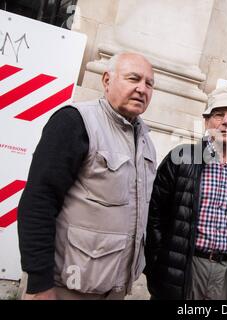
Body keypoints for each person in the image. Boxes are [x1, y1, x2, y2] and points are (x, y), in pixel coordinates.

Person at [17, 52, 157, 300]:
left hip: (114, 289)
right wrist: (39, 284)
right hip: (66, 287)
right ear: (106, 80)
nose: (141, 89)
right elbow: (39, 201)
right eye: (133, 78)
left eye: (149, 83)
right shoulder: (74, 121)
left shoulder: (144, 138)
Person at [144, 86, 227, 300]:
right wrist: (159, 264)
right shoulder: (182, 158)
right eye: (218, 114)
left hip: (223, 274)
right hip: (184, 267)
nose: (226, 121)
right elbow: (154, 215)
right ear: (207, 122)